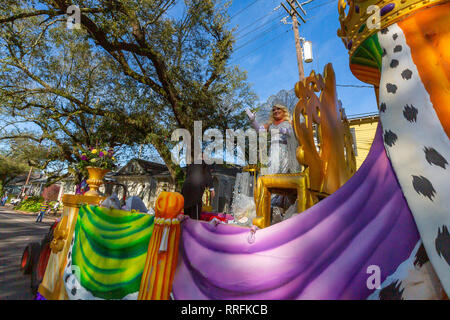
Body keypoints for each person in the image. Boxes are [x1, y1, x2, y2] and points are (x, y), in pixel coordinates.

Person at [246, 104, 300, 175]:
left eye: (278, 109)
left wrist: (287, 132)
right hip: (273, 151)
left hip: (285, 150)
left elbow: (297, 134)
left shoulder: (290, 122)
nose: (276, 111)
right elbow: (260, 130)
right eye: (274, 110)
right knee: (271, 172)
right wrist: (253, 120)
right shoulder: (270, 125)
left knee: (283, 174)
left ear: (283, 111)